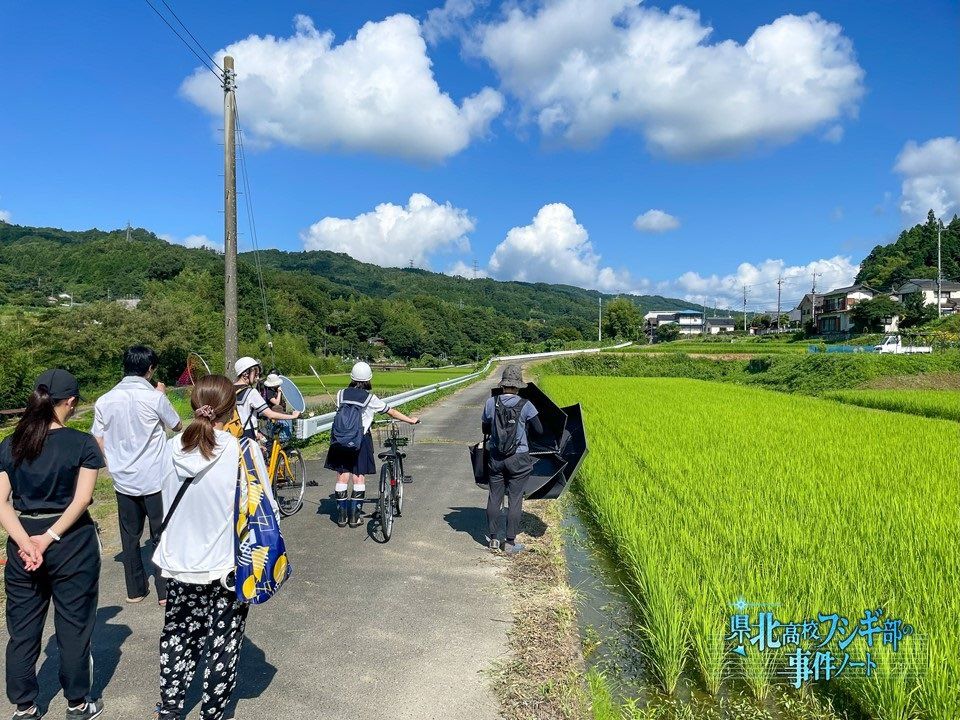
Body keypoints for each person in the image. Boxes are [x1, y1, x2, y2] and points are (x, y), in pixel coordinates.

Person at [152, 374, 269, 720]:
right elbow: (263, 506)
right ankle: (213, 712)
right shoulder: (241, 450)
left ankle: (170, 708)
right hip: (225, 567)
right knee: (223, 641)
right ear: (231, 410)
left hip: (178, 563)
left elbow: (161, 496)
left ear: (193, 404)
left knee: (177, 634)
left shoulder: (170, 448)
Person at [0, 370, 106, 720]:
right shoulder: (82, 443)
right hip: (70, 540)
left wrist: (25, 542)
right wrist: (48, 539)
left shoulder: (11, 444)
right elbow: (83, 499)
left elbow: (1, 502)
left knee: (23, 630)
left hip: (22, 541)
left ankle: (24, 707)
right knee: (74, 624)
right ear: (71, 402)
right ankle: (78, 703)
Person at [92, 345, 182, 606]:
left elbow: (97, 437)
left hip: (123, 479)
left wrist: (111, 464)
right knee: (160, 533)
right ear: (150, 369)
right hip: (155, 476)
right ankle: (164, 591)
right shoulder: (154, 397)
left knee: (129, 538)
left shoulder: (105, 400)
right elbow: (176, 425)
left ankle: (135, 590)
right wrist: (161, 394)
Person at [324, 361, 419, 528]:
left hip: (339, 439)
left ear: (352, 377)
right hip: (361, 439)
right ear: (369, 379)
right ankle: (355, 517)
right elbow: (392, 411)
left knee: (342, 475)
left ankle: (341, 517)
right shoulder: (370, 398)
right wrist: (410, 420)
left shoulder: (340, 394)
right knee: (358, 476)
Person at [481, 364, 543, 555]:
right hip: (519, 458)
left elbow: (485, 429)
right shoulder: (526, 405)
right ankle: (509, 542)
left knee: (494, 496)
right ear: (518, 386)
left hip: (496, 457)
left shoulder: (491, 403)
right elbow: (539, 431)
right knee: (515, 499)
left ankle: (492, 539)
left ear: (503, 385)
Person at [233, 357, 300, 442]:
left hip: (232, 433)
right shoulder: (251, 392)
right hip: (247, 433)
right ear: (245, 374)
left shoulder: (229, 389)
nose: (257, 378)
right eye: (255, 374)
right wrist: (293, 416)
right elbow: (270, 414)